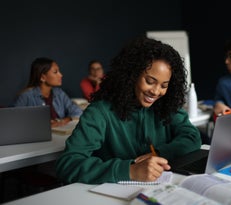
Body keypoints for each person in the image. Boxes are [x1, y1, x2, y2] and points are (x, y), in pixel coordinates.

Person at [55, 36, 202, 184]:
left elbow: (192, 137)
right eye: (150, 81)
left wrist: (158, 153)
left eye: (164, 85)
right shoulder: (100, 112)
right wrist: (129, 170)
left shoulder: (166, 105)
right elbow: (68, 164)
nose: (156, 92)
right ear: (132, 75)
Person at [14, 57, 83, 128]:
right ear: (43, 77)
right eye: (55, 72)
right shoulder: (26, 96)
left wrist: (66, 120)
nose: (61, 75)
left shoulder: (59, 93)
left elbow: (78, 112)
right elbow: (13, 121)